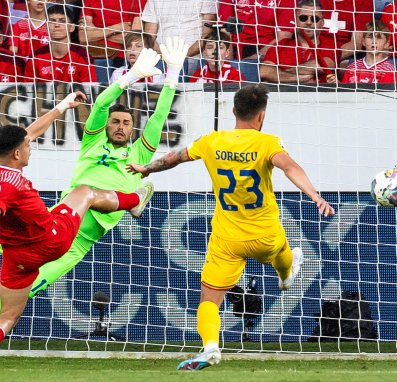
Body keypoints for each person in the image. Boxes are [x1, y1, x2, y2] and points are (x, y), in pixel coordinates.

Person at [0, 39, 189, 356]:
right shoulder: (93, 144)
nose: (121, 126)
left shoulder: (139, 153)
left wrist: (173, 72)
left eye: (127, 123)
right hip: (52, 223)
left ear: (134, 129)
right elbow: (103, 102)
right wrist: (129, 76)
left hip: (73, 247)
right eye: (115, 121)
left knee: (10, 302)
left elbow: (161, 113)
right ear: (104, 124)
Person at [127, 84, 335, 371]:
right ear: (261, 116)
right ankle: (286, 275)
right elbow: (290, 167)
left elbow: (174, 158)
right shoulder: (267, 143)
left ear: (234, 111)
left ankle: (211, 346)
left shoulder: (211, 141)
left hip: (227, 239)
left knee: (209, 300)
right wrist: (314, 194)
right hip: (265, 235)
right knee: (283, 250)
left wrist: (147, 168)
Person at [0, 86, 160, 368]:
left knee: (9, 314)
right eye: (26, 147)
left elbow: (32, 131)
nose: (30, 148)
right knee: (85, 191)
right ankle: (134, 200)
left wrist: (61, 107)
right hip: (52, 238)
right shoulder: (12, 185)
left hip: (17, 254)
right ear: (15, 154)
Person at [259, 0, 338, 84]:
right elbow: (264, 72)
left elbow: (321, 65)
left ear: (322, 23)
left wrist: (279, 74)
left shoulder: (330, 45)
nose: (308, 22)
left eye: (314, 19)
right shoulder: (281, 45)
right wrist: (299, 78)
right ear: (296, 21)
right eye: (303, 18)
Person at [23, 4, 96, 83]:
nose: (57, 25)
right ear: (46, 27)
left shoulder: (82, 56)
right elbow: (28, 91)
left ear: (71, 27)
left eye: (62, 21)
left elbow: (89, 90)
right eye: (52, 21)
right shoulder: (36, 58)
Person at [78, 0, 146, 60]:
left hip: (123, 54)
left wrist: (97, 33)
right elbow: (83, 37)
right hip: (92, 51)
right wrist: (117, 28)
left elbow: (134, 39)